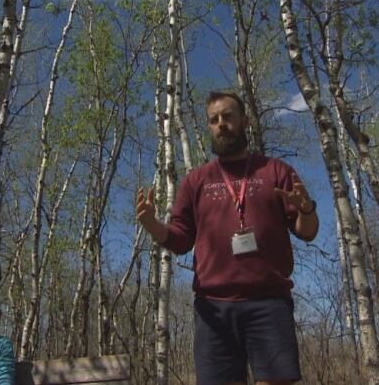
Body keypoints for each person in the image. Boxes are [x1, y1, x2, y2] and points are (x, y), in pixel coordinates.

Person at [136, 92, 319, 385]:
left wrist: (307, 208)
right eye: (214, 120)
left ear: (244, 121)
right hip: (214, 308)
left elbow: (307, 231)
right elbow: (181, 240)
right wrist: (152, 224)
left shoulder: (275, 171)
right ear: (209, 127)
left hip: (268, 302)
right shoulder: (196, 180)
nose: (221, 124)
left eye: (228, 116)